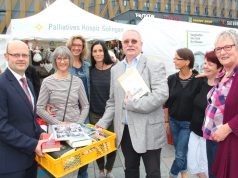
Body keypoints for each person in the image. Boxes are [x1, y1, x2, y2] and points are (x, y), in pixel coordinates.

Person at [96, 29, 169, 178]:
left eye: (134, 41)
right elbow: (112, 101)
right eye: (126, 41)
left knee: (153, 173)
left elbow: (161, 95)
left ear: (141, 45)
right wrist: (102, 122)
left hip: (149, 130)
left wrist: (133, 104)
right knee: (130, 170)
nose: (130, 44)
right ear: (122, 45)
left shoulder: (154, 64)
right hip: (125, 131)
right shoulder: (116, 69)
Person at [0, 40, 47, 178]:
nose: (21, 58)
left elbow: (29, 118)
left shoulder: (28, 83)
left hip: (30, 161)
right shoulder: (1, 84)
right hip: (11, 163)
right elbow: (2, 126)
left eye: (25, 55)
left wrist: (41, 133)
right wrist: (32, 144)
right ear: (6, 56)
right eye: (16, 55)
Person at [202, 30, 238, 178]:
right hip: (212, 137)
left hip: (229, 140)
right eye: (218, 49)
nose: (222, 52)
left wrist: (229, 128)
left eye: (227, 47)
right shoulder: (223, 73)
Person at [164, 48, 204, 178]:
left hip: (188, 123)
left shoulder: (199, 80)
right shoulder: (171, 79)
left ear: (187, 61)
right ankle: (184, 173)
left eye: (177, 58)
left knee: (180, 153)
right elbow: (166, 103)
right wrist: (166, 121)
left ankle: (172, 174)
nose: (174, 60)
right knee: (180, 151)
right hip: (173, 121)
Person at [187, 51, 222, 178]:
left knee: (208, 168)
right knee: (193, 165)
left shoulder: (221, 87)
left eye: (210, 64)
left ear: (219, 67)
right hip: (194, 132)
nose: (205, 66)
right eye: (205, 63)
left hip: (209, 137)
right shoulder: (200, 82)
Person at [90, 41, 116, 178]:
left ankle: (109, 170)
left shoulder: (115, 69)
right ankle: (100, 170)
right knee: (98, 145)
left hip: (112, 114)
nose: (98, 53)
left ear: (105, 52)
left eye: (100, 50)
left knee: (112, 144)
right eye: (95, 51)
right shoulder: (90, 70)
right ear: (92, 53)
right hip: (95, 113)